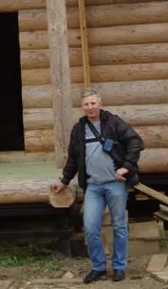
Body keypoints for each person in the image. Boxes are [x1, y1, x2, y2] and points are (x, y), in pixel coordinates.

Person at [50, 90, 144, 283]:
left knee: (118, 226)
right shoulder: (78, 129)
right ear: (82, 107)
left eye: (93, 103)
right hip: (93, 186)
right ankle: (99, 267)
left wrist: (126, 167)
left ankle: (119, 267)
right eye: (86, 104)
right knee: (90, 227)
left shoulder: (114, 122)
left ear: (99, 104)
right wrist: (64, 181)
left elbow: (136, 141)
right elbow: (73, 159)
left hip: (115, 184)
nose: (90, 107)